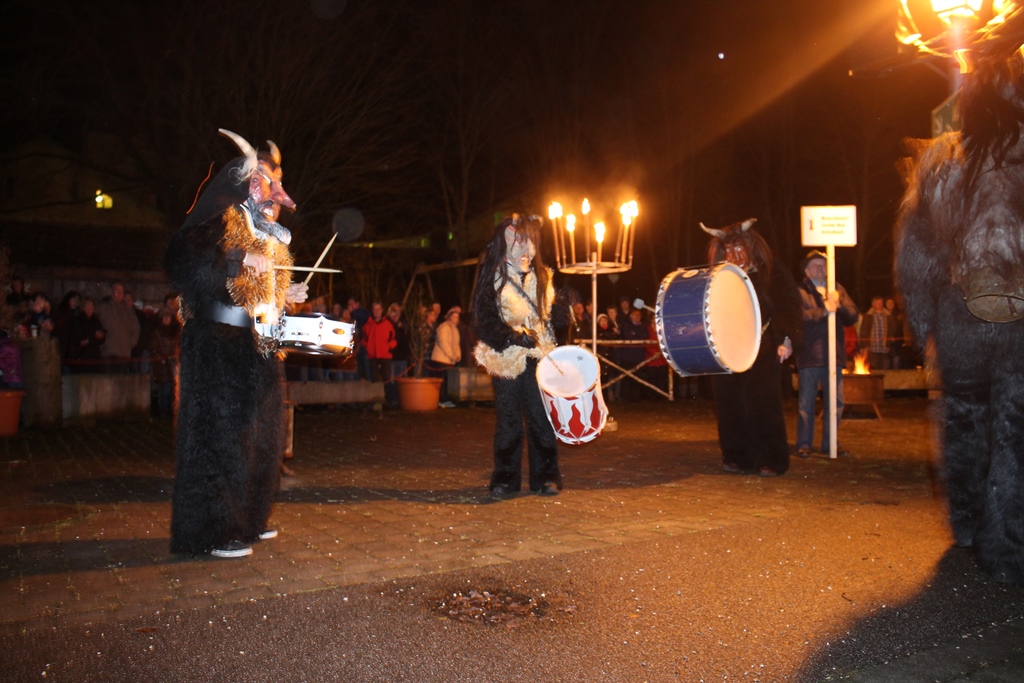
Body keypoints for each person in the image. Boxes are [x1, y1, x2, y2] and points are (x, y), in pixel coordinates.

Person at [163, 129, 307, 559]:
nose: (271, 189)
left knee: (261, 441)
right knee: (219, 440)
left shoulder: (266, 234)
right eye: (261, 178)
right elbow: (181, 262)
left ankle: (248, 520)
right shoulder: (218, 220)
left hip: (256, 347)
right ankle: (210, 533)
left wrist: (286, 293)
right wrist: (237, 258)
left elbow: (258, 292)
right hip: (217, 346)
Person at [472, 213, 569, 498]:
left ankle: (547, 476)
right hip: (506, 359)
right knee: (509, 421)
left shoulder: (543, 276)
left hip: (539, 357)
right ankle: (505, 478)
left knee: (541, 418)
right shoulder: (493, 277)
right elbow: (483, 319)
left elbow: (553, 319)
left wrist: (564, 313)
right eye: (518, 241)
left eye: (529, 241)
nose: (525, 249)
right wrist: (512, 336)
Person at [701, 218, 802, 476]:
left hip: (763, 348)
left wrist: (786, 339)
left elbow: (788, 306)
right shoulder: (718, 278)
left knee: (763, 403)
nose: (734, 255)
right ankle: (737, 456)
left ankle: (772, 458)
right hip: (726, 350)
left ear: (751, 247)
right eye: (729, 249)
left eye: (739, 248)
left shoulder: (771, 272)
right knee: (729, 403)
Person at [795, 250, 859, 458]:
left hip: (834, 355)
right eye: (815, 265)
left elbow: (853, 316)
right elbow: (798, 317)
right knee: (807, 403)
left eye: (823, 265)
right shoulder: (800, 292)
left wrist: (839, 306)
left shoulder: (837, 289)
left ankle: (830, 443)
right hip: (810, 356)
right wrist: (823, 311)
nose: (820, 268)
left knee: (836, 403)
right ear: (806, 271)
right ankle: (804, 444)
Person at [95, 282, 140, 373]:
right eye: (117, 291)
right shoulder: (103, 308)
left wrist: (130, 343)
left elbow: (135, 328)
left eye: (121, 292)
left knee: (120, 378)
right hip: (108, 351)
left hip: (123, 352)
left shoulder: (127, 311)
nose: (119, 294)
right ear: (111, 292)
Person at [148, 306, 180, 417]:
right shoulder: (156, 332)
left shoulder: (176, 332)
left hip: (173, 363)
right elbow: (153, 347)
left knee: (172, 388)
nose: (166, 319)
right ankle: (163, 410)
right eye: (164, 317)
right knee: (165, 387)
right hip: (161, 364)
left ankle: (170, 410)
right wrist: (160, 358)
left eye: (168, 317)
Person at [362, 301, 396, 400]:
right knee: (374, 379)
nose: (377, 311)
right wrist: (368, 347)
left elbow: (394, 338)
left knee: (387, 380)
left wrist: (389, 347)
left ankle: (388, 401)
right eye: (375, 309)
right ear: (372, 311)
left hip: (385, 355)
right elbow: (363, 339)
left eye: (378, 309)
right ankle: (376, 400)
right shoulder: (367, 325)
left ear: (382, 310)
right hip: (372, 356)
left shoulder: (388, 324)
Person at [429, 307, 461, 407]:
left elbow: (456, 344)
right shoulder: (444, 327)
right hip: (441, 359)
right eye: (453, 316)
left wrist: (457, 355)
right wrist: (452, 355)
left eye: (457, 317)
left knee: (447, 381)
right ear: (449, 317)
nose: (455, 318)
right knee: (442, 381)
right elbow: (444, 344)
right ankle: (441, 400)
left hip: (449, 360)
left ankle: (445, 399)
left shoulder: (455, 329)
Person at [69, 297, 105, 372]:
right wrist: (93, 336)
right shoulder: (77, 320)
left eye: (92, 305)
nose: (90, 308)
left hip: (95, 356)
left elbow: (102, 338)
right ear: (83, 307)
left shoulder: (96, 320)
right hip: (83, 356)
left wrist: (97, 337)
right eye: (88, 305)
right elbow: (78, 338)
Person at [859, 295, 891, 370]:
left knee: (885, 371)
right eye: (877, 303)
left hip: (885, 348)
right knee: (873, 370)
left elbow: (892, 330)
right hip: (872, 349)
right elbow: (863, 331)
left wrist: (890, 341)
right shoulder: (868, 316)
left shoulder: (888, 316)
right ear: (873, 304)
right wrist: (864, 346)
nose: (880, 304)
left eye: (881, 303)